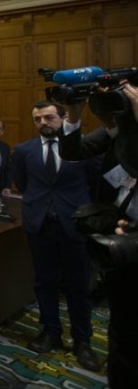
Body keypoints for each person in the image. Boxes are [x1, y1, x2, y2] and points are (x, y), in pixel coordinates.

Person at [9, 100, 100, 371]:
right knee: (44, 282)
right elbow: (23, 183)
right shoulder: (24, 150)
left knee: (78, 286)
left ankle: (82, 341)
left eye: (49, 117)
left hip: (74, 225)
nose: (43, 123)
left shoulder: (84, 147)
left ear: (63, 118)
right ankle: (51, 331)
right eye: (37, 119)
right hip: (40, 225)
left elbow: (95, 183)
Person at [58, 83, 138, 388]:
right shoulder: (118, 131)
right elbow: (72, 151)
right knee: (123, 327)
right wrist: (74, 113)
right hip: (121, 240)